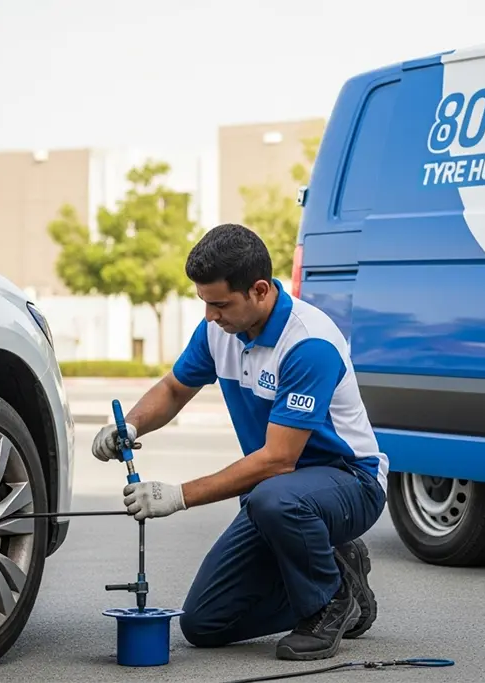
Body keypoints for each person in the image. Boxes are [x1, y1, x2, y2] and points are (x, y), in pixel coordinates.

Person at [90, 223, 389, 662]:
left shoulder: (308, 344)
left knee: (273, 498)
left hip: (350, 483)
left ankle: (326, 604)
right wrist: (131, 426)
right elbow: (175, 389)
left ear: (261, 290)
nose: (211, 315)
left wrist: (177, 496)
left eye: (220, 304)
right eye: (205, 303)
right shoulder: (219, 330)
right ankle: (340, 581)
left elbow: (278, 460)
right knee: (204, 624)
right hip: (278, 495)